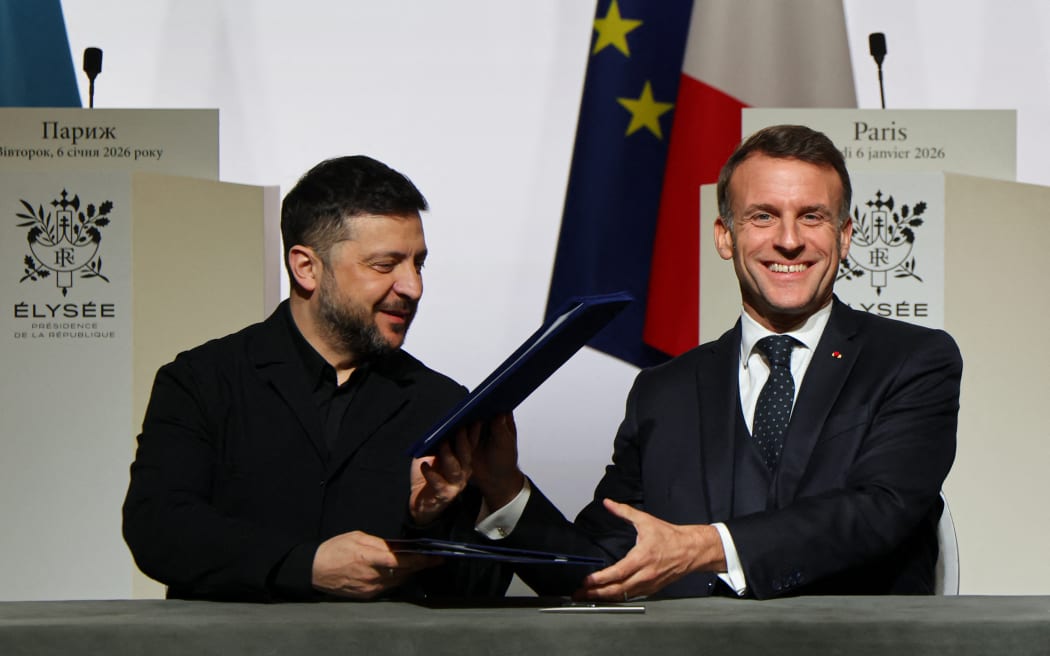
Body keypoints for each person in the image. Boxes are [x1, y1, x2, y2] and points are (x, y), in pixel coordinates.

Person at [471, 124, 961, 600]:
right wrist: (505, 489)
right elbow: (602, 565)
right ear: (725, 237)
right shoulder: (663, 392)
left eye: (812, 217)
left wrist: (706, 547)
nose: (789, 240)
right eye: (763, 216)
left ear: (846, 235)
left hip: (857, 642)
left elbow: (881, 511)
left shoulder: (912, 361)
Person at [123, 155, 510, 602]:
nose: (413, 287)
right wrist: (305, 565)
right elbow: (158, 528)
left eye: (418, 264)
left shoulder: (440, 403)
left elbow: (478, 590)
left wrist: (429, 520)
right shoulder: (202, 381)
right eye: (385, 265)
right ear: (306, 268)